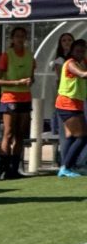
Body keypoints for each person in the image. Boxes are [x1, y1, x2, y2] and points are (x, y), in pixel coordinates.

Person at [0, 26, 34, 180]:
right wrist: (18, 82)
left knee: (20, 134)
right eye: (17, 36)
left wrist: (30, 81)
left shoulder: (30, 56)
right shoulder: (6, 55)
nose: (20, 39)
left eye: (23, 36)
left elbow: (32, 77)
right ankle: (3, 168)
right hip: (10, 98)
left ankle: (14, 169)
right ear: (12, 38)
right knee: (8, 133)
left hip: (25, 98)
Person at [54, 38, 87, 178]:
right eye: (78, 50)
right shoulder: (70, 63)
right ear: (72, 51)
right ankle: (66, 167)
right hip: (67, 104)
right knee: (83, 137)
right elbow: (82, 74)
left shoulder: (81, 62)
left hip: (75, 103)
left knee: (71, 137)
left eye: (83, 51)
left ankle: (67, 166)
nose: (80, 53)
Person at [49, 31, 75, 165]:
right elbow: (60, 80)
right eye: (64, 40)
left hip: (78, 97)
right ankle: (65, 161)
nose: (67, 43)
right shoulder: (60, 61)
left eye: (69, 40)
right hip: (65, 98)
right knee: (66, 132)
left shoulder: (79, 58)